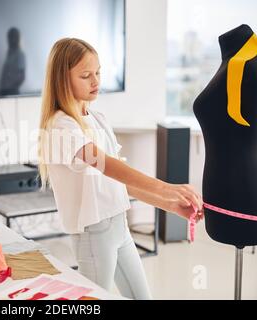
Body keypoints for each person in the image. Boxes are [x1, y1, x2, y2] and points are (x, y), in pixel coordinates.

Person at [37, 38, 204, 299]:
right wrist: (169, 189)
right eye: (85, 75)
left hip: (119, 227)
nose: (95, 81)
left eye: (98, 73)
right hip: (94, 235)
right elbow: (106, 166)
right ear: (62, 79)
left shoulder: (97, 118)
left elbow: (119, 181)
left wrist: (169, 205)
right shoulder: (61, 126)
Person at [0, 27, 26, 96]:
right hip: (4, 90)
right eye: (9, 37)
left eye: (12, 37)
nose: (10, 40)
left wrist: (11, 87)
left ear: (17, 38)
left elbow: (22, 76)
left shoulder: (20, 54)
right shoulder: (9, 54)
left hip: (12, 92)